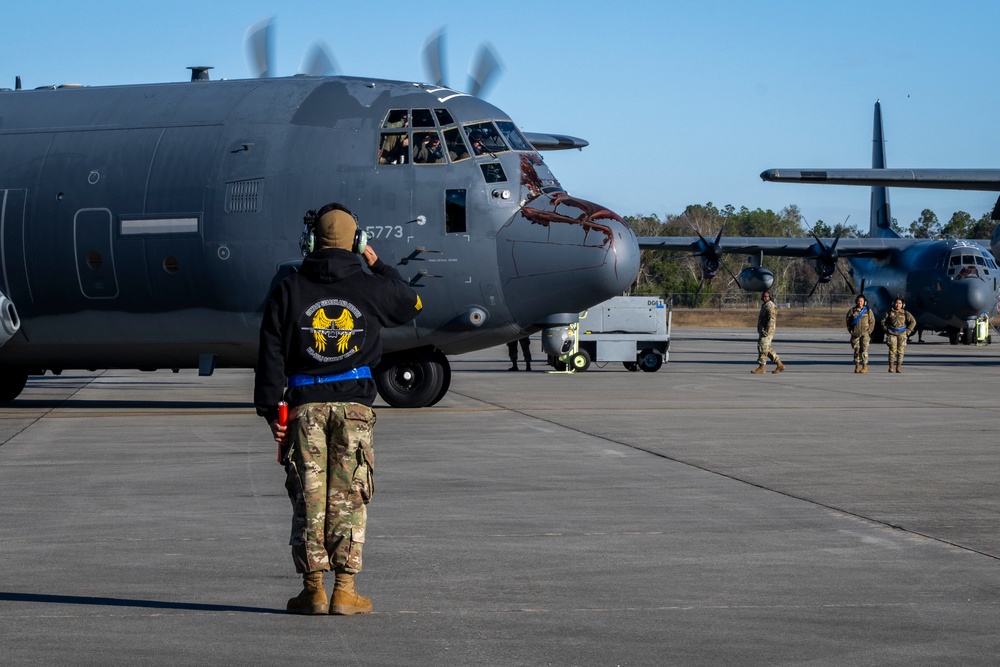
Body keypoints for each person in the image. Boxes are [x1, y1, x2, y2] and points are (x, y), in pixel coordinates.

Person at [254, 203, 422, 615]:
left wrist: (272, 411)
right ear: (357, 241)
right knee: (349, 496)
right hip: (353, 410)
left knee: (309, 497)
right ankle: (345, 590)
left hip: (304, 409)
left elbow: (270, 352)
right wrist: (379, 264)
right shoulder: (371, 286)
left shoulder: (289, 289)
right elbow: (411, 303)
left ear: (311, 242)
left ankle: (313, 590)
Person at [751, 290, 785, 374]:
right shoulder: (765, 306)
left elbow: (771, 320)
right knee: (767, 349)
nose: (764, 298)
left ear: (769, 297)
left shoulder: (770, 306)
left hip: (767, 331)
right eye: (763, 296)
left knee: (762, 347)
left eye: (766, 296)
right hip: (763, 330)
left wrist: (767, 331)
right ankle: (779, 364)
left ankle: (761, 367)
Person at [881, 297, 916, 373]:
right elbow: (883, 321)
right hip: (892, 333)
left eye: (900, 303)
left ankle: (899, 367)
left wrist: (908, 331)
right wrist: (886, 330)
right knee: (892, 351)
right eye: (896, 303)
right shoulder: (889, 312)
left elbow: (913, 322)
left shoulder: (905, 313)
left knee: (901, 351)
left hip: (902, 334)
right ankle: (891, 367)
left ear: (902, 305)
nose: (897, 305)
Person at [845, 294, 876, 373]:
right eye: (858, 301)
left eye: (861, 301)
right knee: (856, 350)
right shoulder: (852, 311)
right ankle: (857, 366)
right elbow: (848, 320)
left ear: (864, 302)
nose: (860, 302)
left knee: (864, 350)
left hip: (865, 333)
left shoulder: (868, 311)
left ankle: (865, 367)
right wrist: (850, 330)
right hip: (855, 333)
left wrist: (869, 331)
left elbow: (872, 321)